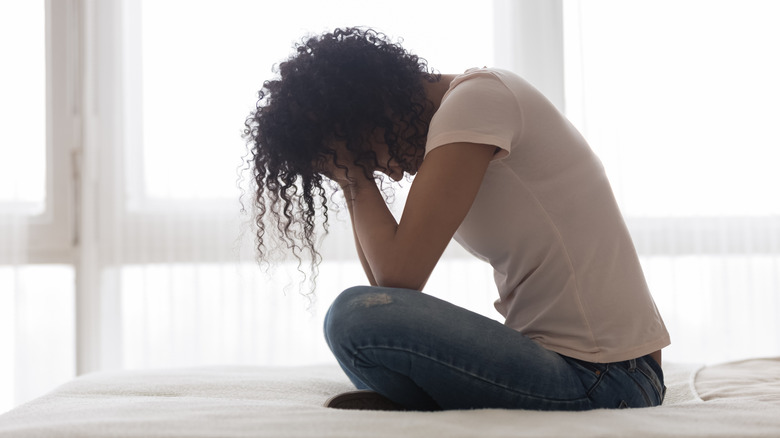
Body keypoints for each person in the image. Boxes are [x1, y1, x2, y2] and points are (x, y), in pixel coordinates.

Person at [244, 27, 670, 411]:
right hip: (585, 369)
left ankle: (424, 401)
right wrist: (349, 175)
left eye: (371, 154)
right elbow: (387, 288)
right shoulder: (467, 111)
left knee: (354, 317)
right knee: (360, 322)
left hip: (611, 376)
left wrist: (353, 176)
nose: (391, 172)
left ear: (373, 109)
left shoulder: (477, 102)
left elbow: (397, 278)